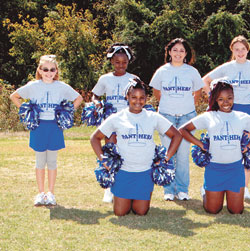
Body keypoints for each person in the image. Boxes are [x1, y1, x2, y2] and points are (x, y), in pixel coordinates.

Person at [202, 35, 250, 199]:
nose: (240, 52)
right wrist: (214, 99)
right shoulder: (227, 67)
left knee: (246, 148)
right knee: (219, 146)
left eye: (243, 49)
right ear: (232, 50)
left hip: (248, 112)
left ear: (247, 50)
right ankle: (207, 185)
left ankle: (244, 187)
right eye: (236, 49)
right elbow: (205, 80)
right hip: (227, 110)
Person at [90, 78, 182, 216]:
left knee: (141, 212)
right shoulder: (117, 117)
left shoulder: (153, 117)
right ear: (127, 97)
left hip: (144, 172)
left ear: (146, 98)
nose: (138, 101)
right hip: (123, 172)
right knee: (120, 212)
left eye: (142, 98)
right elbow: (94, 138)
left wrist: (166, 158)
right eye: (133, 97)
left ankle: (136, 197)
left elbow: (177, 135)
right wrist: (103, 159)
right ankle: (120, 195)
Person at [179, 79, 250, 214]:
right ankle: (205, 191)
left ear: (234, 98)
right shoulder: (209, 116)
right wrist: (201, 144)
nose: (226, 102)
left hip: (235, 169)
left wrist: (249, 145)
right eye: (221, 99)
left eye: (229, 98)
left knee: (236, 210)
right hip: (214, 169)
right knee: (213, 210)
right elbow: (183, 130)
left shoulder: (241, 117)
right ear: (215, 99)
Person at [10, 55, 83, 206]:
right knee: (40, 161)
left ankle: (51, 193)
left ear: (56, 71)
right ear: (40, 70)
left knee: (52, 161)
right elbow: (14, 96)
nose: (49, 72)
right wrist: (27, 111)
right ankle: (40, 193)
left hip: (54, 127)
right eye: (45, 69)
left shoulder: (61, 86)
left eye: (52, 69)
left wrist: (67, 113)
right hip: (39, 126)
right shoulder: (33, 86)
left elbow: (78, 98)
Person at [149, 38, 204, 201]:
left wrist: (186, 106)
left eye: (182, 50)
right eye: (175, 50)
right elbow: (156, 92)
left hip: (187, 118)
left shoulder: (192, 72)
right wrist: (169, 106)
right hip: (166, 117)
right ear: (169, 52)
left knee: (182, 154)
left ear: (186, 53)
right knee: (168, 154)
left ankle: (182, 190)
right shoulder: (162, 71)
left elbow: (198, 92)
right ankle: (168, 190)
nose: (178, 53)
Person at [91, 43, 137, 203]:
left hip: (128, 120)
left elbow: (139, 97)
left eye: (124, 62)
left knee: (127, 153)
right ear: (111, 61)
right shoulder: (105, 79)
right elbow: (95, 95)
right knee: (110, 152)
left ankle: (125, 186)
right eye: (117, 62)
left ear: (128, 62)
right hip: (110, 121)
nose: (121, 65)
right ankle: (109, 187)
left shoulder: (133, 79)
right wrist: (97, 103)